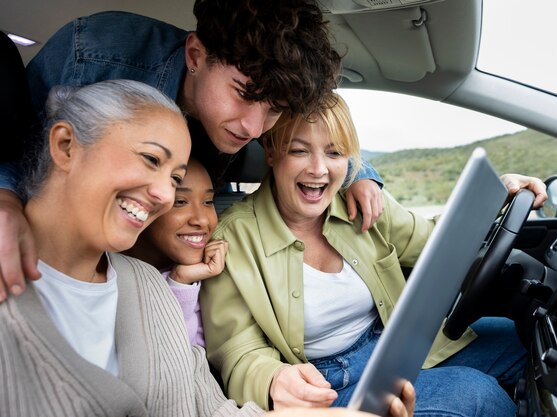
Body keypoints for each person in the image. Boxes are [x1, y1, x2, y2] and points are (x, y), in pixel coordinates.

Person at [0, 80, 415, 417]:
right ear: (66, 146)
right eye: (150, 160)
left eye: (176, 175)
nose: (163, 194)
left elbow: (212, 410)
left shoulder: (147, 286)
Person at [0, 0, 385, 302]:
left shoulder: (267, 110)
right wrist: (5, 200)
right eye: (242, 94)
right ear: (196, 56)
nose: (253, 129)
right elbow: (14, 143)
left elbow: (311, 134)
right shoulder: (94, 54)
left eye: (274, 109)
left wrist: (358, 173)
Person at [200, 92, 547, 415]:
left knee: (523, 342)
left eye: (334, 153)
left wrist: (494, 198)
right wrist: (272, 379)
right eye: (299, 150)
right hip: (329, 383)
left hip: (394, 347)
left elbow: (434, 241)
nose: (319, 169)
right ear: (272, 152)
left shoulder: (361, 202)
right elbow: (236, 350)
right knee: (478, 393)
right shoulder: (234, 237)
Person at [126, 157, 225, 346]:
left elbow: (191, 360)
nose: (202, 220)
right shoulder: (108, 275)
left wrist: (181, 281)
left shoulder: (209, 274)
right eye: (180, 202)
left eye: (208, 201)